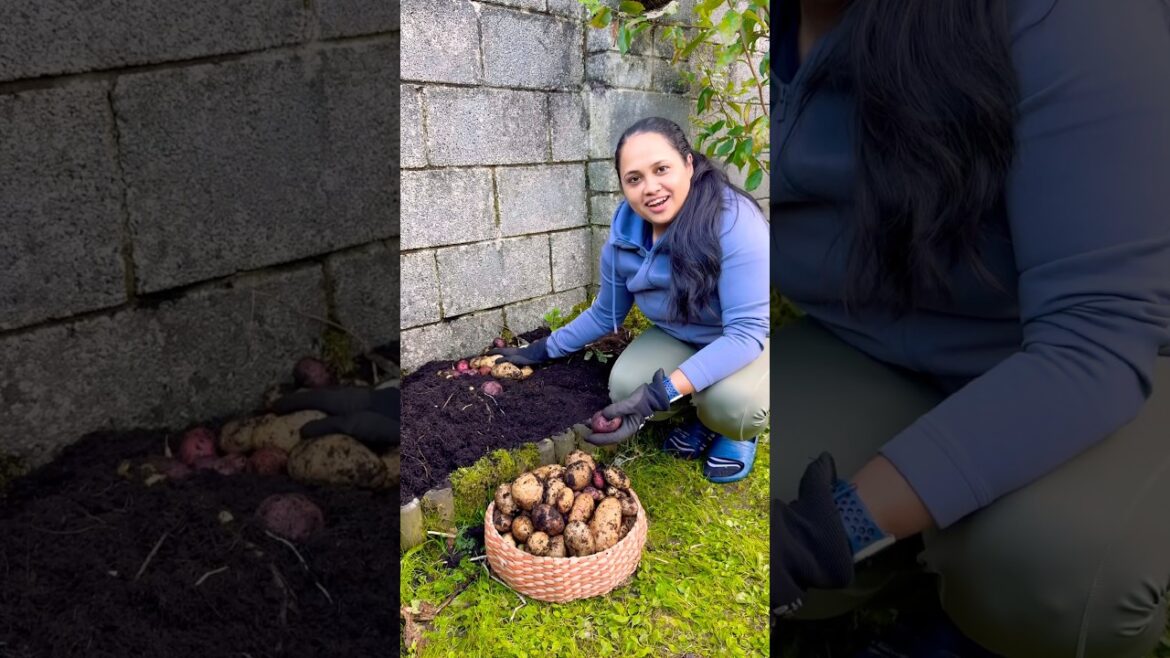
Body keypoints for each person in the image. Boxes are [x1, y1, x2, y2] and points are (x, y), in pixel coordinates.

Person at [772, 0, 1170, 656]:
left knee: (1048, 569)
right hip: (883, 340)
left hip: (1107, 350)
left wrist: (834, 528)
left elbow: (1094, 338)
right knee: (751, 496)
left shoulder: (1068, 16)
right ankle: (902, 571)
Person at [492, 116, 770, 482]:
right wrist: (542, 350)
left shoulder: (733, 222)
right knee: (624, 386)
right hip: (682, 336)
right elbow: (606, 313)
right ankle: (698, 411)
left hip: (746, 339)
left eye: (662, 169)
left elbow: (744, 334)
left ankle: (731, 429)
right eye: (634, 179)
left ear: (688, 164)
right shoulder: (625, 236)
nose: (650, 188)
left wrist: (660, 394)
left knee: (733, 406)